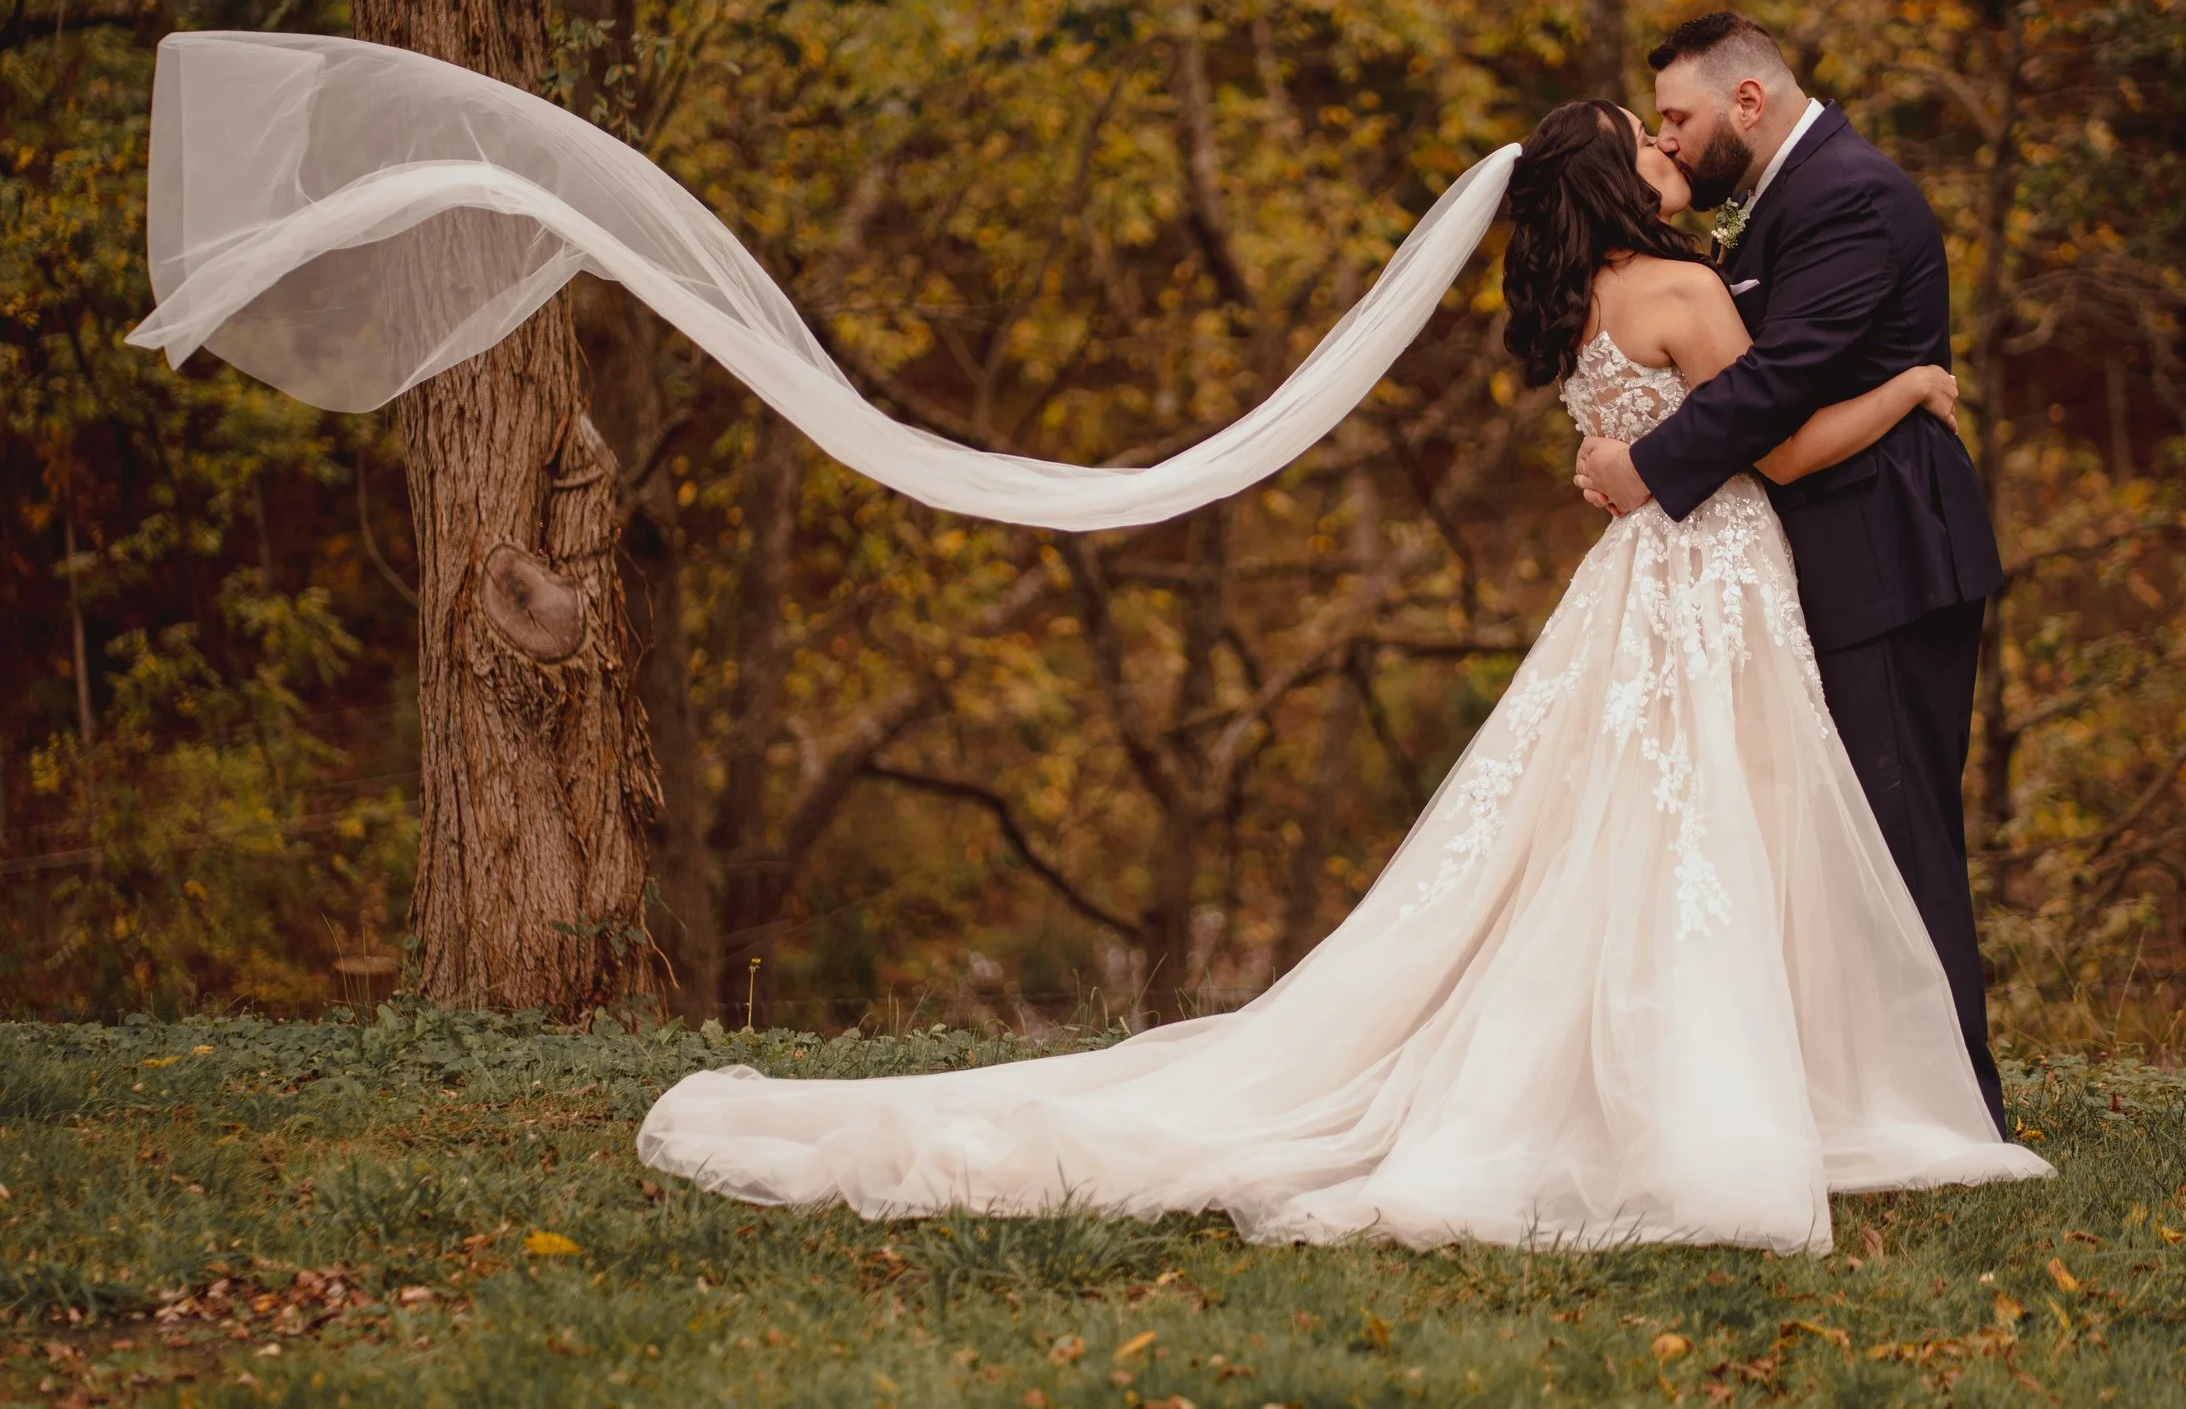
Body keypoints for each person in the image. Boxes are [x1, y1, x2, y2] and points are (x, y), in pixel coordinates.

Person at [633, 94, 2051, 1256]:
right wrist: (1914, 386)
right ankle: (1742, 1092)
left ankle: (1707, 1071)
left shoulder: (1580, 310)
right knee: (1713, 829)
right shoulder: (1682, 287)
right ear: (1613, 184)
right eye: (1647, 144)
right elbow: (1788, 448)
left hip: (1644, 589)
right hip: (1718, 579)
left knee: (1627, 834)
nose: (1668, 154)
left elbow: (1659, 442)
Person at [1571, 13, 2012, 1132]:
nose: (1668, 142)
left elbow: (1782, 386)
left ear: (1748, 102)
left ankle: (1957, 1109)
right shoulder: (1770, 206)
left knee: (1901, 832)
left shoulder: (1849, 195)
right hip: (1818, 560)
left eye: (1677, 117)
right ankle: (1857, 1095)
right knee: (1842, 838)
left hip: (1888, 552)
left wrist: (1642, 466)